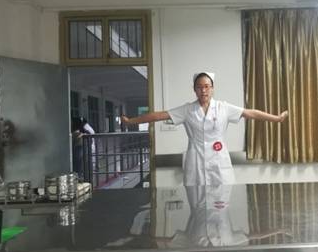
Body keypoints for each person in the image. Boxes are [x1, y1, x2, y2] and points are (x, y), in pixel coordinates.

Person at [122, 72, 288, 185]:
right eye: (199, 87)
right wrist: (131, 121)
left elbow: (250, 113)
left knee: (223, 205)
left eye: (207, 86)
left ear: (212, 88)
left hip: (219, 160)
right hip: (196, 161)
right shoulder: (187, 110)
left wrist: (276, 118)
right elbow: (159, 116)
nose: (203, 90)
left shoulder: (224, 107)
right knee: (197, 207)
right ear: (194, 89)